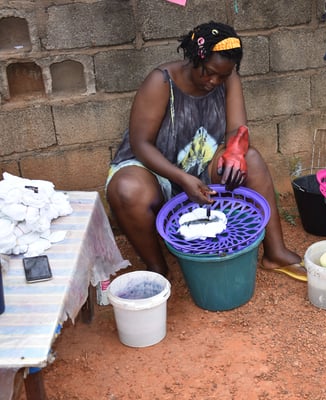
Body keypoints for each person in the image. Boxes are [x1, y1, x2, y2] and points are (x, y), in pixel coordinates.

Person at [106, 21, 305, 281]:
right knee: (127, 190)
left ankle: (275, 252)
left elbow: (237, 130)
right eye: (210, 72)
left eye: (223, 75)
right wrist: (181, 178)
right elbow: (140, 144)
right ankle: (158, 269)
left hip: (200, 166)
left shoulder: (228, 76)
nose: (215, 81)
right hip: (154, 170)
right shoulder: (161, 81)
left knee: (250, 159)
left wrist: (235, 151)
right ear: (195, 57)